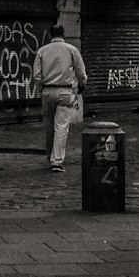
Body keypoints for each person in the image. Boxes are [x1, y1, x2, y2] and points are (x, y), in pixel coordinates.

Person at [32, 23, 88, 172]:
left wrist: (41, 89)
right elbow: (81, 72)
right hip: (65, 92)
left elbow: (36, 75)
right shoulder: (71, 50)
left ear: (50, 35)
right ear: (63, 34)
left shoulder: (42, 51)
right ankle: (56, 161)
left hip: (47, 91)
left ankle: (49, 155)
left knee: (49, 126)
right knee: (61, 126)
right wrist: (82, 85)